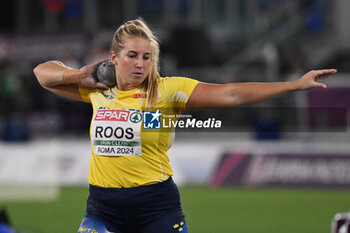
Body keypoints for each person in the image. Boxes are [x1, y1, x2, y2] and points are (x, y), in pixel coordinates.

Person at [33, 19, 337, 233]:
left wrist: (292, 85)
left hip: (156, 208)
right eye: (132, 56)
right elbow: (41, 73)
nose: (140, 64)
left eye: (147, 58)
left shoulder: (167, 89)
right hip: (102, 208)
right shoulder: (99, 91)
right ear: (113, 57)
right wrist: (79, 75)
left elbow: (230, 94)